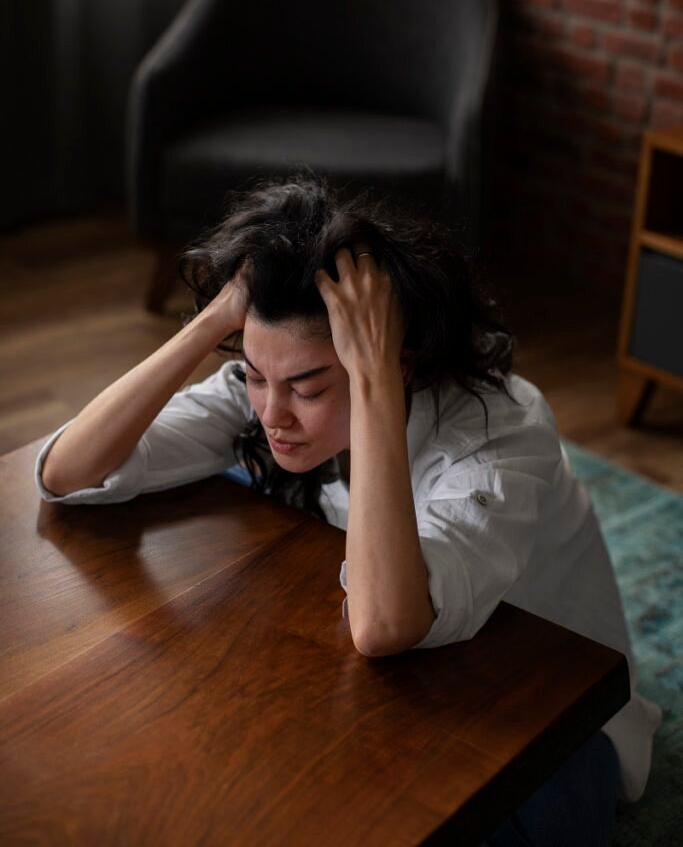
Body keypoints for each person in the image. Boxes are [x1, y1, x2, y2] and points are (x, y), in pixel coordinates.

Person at [35, 175, 660, 846]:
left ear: (397, 364)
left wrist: (370, 382)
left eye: (307, 387)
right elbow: (68, 474)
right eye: (252, 375)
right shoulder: (274, 380)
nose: (272, 415)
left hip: (543, 731)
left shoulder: (500, 429)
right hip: (401, 690)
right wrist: (217, 320)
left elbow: (383, 625)